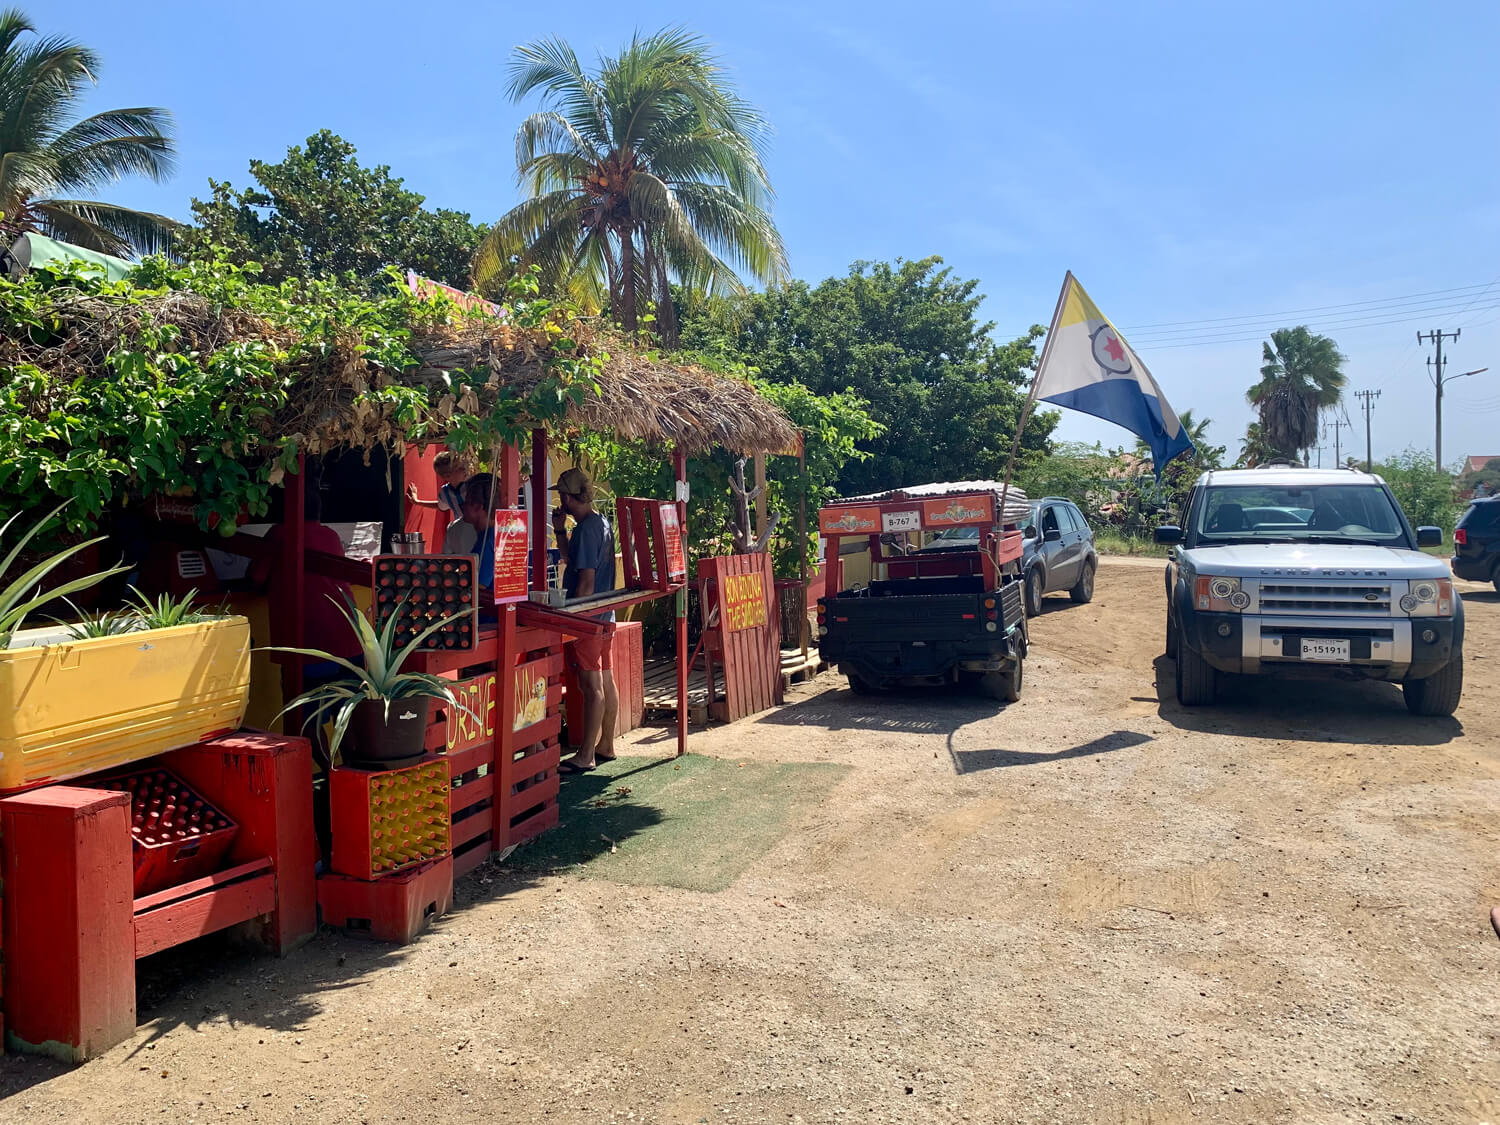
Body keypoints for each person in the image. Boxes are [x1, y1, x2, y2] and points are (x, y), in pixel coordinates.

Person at [550, 467, 618, 773]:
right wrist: (560, 531)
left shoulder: (588, 527)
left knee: (591, 686)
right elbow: (572, 560)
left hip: (589, 616)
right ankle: (605, 745)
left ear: (566, 496)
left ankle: (586, 754)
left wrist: (573, 616)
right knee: (605, 680)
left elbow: (586, 580)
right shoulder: (598, 522)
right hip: (605, 613)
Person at [407, 451, 475, 553]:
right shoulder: (445, 493)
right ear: (447, 476)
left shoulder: (474, 485)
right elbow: (440, 506)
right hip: (462, 533)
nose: (465, 469)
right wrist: (418, 502)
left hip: (479, 530)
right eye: (460, 468)